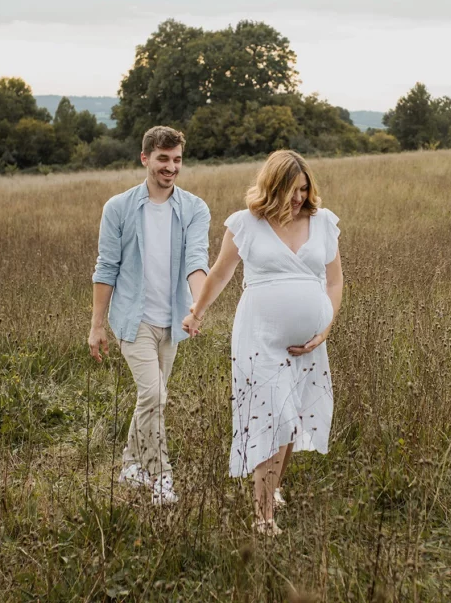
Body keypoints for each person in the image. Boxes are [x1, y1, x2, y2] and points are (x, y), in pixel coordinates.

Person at [182, 150, 343, 535]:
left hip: (309, 344)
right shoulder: (246, 224)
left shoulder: (322, 223)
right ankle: (264, 517)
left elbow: (334, 281)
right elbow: (220, 274)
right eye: (291, 190)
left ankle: (273, 489)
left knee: (292, 420)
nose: (299, 197)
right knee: (274, 418)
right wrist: (197, 312)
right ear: (273, 186)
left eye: (304, 189)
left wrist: (325, 329)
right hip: (259, 338)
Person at [88, 126, 210, 506]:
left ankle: (129, 465)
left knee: (149, 399)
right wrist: (96, 326)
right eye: (163, 159)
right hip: (132, 319)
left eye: (176, 160)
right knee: (155, 394)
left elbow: (196, 260)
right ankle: (161, 478)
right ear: (145, 159)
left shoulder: (194, 208)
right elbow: (106, 267)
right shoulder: (119, 208)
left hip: (172, 320)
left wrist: (197, 306)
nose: (170, 167)